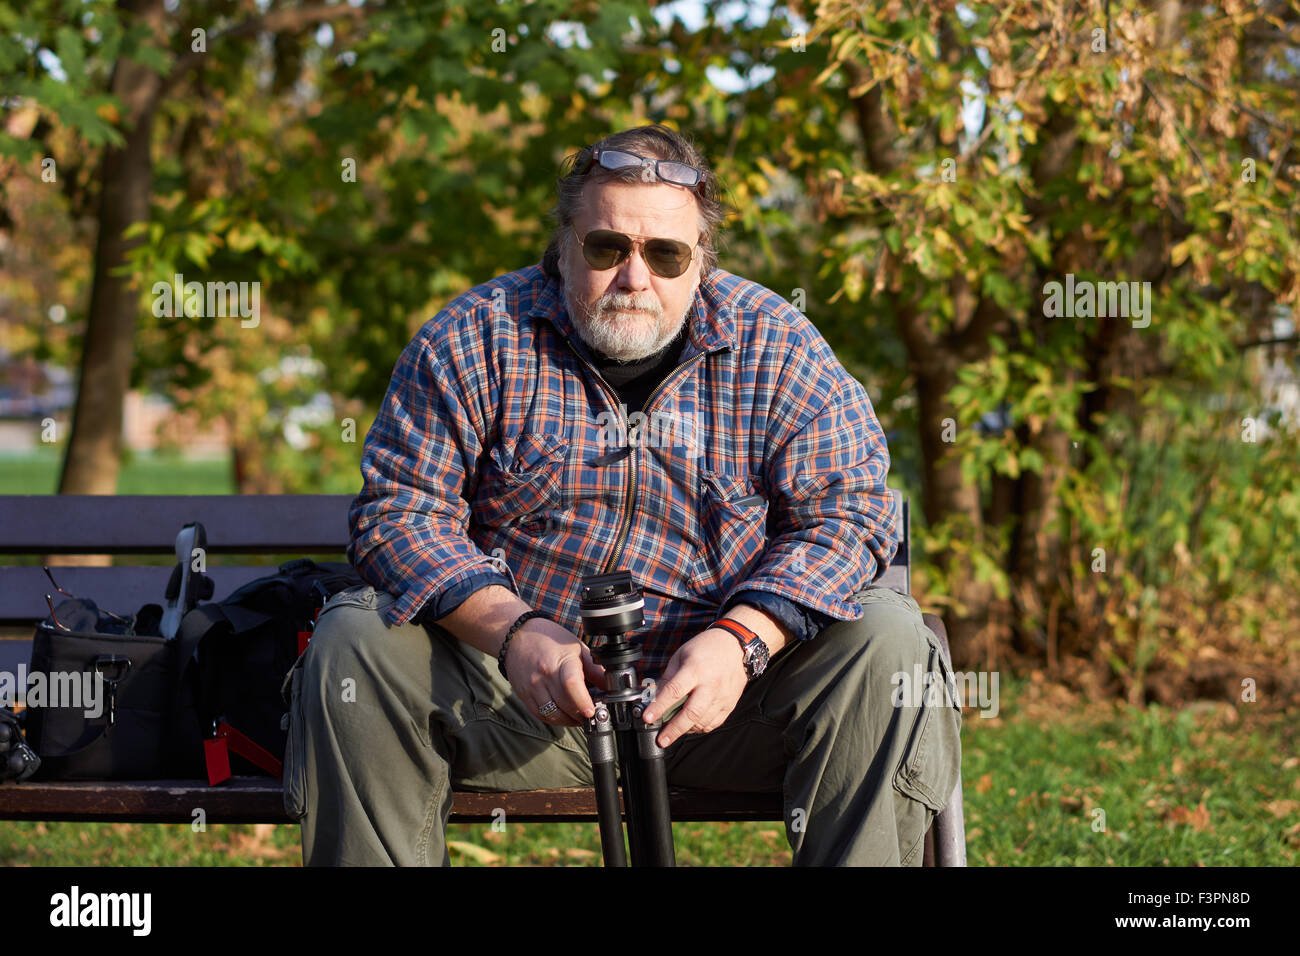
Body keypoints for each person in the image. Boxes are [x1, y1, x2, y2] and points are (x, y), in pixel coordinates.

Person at [283, 123, 962, 866]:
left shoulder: (780, 346)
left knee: (890, 638)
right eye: (607, 247)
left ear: (701, 261)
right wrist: (514, 633)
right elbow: (398, 514)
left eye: (665, 254)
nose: (634, 277)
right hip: (519, 707)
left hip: (727, 710)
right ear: (565, 245)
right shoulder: (473, 336)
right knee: (357, 639)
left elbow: (851, 517)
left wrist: (742, 643)